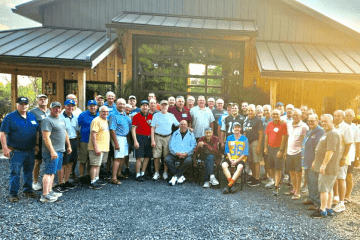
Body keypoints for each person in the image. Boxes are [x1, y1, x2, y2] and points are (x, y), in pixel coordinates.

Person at [0, 97, 39, 202]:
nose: (23, 106)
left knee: (28, 171)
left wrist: (36, 145)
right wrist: (5, 148)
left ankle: (28, 190)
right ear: (17, 105)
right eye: (21, 104)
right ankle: (13, 193)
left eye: (25, 104)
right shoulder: (10, 117)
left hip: (30, 150)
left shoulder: (32, 116)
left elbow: (37, 131)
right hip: (16, 151)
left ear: (28, 105)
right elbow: (2, 133)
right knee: (15, 172)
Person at [311, 114, 340, 218]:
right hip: (324, 166)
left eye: (325, 121)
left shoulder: (332, 134)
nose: (323, 123)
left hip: (328, 167)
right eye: (322, 121)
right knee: (328, 188)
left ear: (331, 121)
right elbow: (320, 149)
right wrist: (315, 161)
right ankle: (328, 208)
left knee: (324, 189)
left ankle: (322, 210)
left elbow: (330, 151)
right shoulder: (326, 133)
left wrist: (323, 165)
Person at [41, 102, 72, 202]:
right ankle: (45, 194)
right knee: (48, 172)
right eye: (55, 108)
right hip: (52, 152)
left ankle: (50, 191)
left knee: (53, 172)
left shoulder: (61, 119)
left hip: (60, 150)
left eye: (59, 108)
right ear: (50, 109)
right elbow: (46, 137)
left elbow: (65, 133)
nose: (57, 110)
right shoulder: (47, 120)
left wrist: (68, 145)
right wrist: (52, 151)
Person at [151, 100, 180, 180]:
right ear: (159, 106)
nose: (164, 106)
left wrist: (188, 128)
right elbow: (152, 128)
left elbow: (178, 125)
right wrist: (152, 140)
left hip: (168, 137)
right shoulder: (156, 115)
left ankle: (165, 172)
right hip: (158, 137)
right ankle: (156, 173)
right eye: (162, 105)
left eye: (165, 105)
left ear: (168, 106)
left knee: (166, 156)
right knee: (156, 156)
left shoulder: (171, 115)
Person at [283, 108, 309, 199]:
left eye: (297, 115)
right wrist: (286, 151)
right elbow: (288, 138)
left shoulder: (304, 126)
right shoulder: (289, 125)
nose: (295, 117)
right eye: (293, 115)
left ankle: (298, 192)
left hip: (299, 153)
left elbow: (307, 139)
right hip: (290, 152)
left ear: (301, 116)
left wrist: (304, 152)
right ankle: (294, 189)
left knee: (298, 173)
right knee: (291, 172)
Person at [302, 114, 324, 210]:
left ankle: (317, 203)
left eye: (312, 121)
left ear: (317, 121)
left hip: (313, 162)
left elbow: (319, 149)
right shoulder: (309, 130)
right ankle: (311, 198)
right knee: (309, 181)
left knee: (315, 182)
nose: (310, 123)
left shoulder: (319, 132)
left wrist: (316, 161)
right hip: (307, 160)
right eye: (309, 121)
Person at [332, 110, 353, 213]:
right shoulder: (334, 127)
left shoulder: (346, 127)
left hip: (341, 158)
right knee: (335, 178)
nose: (336, 118)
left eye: (339, 116)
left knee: (341, 178)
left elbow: (349, 144)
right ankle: (335, 196)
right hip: (333, 157)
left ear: (343, 117)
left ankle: (341, 202)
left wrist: (344, 157)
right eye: (335, 116)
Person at [165, 120, 196, 186]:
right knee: (167, 159)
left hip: (186, 154)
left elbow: (193, 145)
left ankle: (175, 176)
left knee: (188, 160)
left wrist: (187, 153)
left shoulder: (191, 134)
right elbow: (171, 145)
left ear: (187, 125)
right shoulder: (175, 133)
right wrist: (176, 153)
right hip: (176, 153)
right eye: (181, 124)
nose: (183, 126)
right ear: (179, 125)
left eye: (185, 124)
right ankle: (180, 176)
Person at [264, 109, 288, 196]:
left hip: (278, 149)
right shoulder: (270, 124)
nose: (275, 116)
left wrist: (281, 150)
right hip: (270, 148)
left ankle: (276, 186)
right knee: (270, 167)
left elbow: (284, 138)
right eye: (273, 114)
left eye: (277, 114)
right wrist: (265, 147)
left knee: (278, 167)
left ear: (280, 115)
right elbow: (266, 136)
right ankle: (275, 181)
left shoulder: (283, 124)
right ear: (271, 115)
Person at [222, 122, 249, 194]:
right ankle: (232, 184)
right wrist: (230, 159)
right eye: (235, 127)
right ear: (233, 129)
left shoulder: (244, 138)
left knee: (240, 167)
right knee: (224, 165)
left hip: (240, 158)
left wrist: (237, 160)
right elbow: (227, 150)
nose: (236, 129)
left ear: (240, 128)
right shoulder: (229, 138)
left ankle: (229, 186)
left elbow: (245, 152)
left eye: (238, 127)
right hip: (230, 157)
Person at [30, 94, 50, 191]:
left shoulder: (50, 111)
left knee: (49, 161)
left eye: (44, 99)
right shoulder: (33, 112)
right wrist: (35, 144)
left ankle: (48, 180)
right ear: (37, 101)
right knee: (37, 161)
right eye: (41, 99)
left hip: (49, 140)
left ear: (47, 101)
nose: (43, 101)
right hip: (38, 140)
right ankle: (35, 181)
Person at [109, 98, 131, 185]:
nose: (121, 105)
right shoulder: (113, 115)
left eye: (123, 104)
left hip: (124, 138)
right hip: (118, 138)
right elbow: (112, 130)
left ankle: (119, 173)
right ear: (116, 104)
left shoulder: (125, 115)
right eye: (120, 104)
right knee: (117, 158)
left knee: (123, 157)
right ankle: (113, 178)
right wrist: (116, 143)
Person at [58, 99, 79, 191]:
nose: (70, 107)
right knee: (63, 164)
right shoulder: (60, 117)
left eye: (72, 106)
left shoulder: (75, 118)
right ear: (64, 106)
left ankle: (66, 181)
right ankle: (60, 183)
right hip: (64, 142)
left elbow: (77, 130)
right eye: (68, 105)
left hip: (74, 141)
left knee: (70, 163)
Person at [88, 106, 110, 189]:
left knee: (98, 165)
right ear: (99, 112)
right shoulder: (96, 120)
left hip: (103, 147)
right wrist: (96, 147)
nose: (105, 113)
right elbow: (93, 135)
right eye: (103, 111)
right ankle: (92, 182)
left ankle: (96, 179)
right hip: (97, 147)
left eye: (107, 111)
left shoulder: (105, 120)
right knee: (94, 165)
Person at [77, 100, 99, 183]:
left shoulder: (99, 115)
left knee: (91, 160)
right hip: (85, 140)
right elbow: (77, 127)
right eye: (91, 106)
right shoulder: (83, 115)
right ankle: (81, 176)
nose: (93, 107)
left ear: (97, 107)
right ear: (87, 107)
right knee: (83, 159)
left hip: (96, 142)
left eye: (94, 106)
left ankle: (89, 175)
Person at [132, 100, 153, 182]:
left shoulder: (151, 116)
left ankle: (143, 173)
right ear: (140, 107)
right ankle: (137, 174)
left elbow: (152, 128)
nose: (145, 107)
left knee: (147, 157)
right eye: (143, 105)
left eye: (146, 105)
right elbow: (133, 129)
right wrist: (135, 141)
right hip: (139, 137)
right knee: (139, 157)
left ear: (148, 107)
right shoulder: (136, 116)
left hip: (148, 138)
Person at [243, 104, 263, 187]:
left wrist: (259, 146)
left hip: (255, 142)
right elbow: (245, 131)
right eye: (249, 110)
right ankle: (253, 176)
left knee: (256, 161)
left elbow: (261, 134)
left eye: (252, 110)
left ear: (255, 111)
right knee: (250, 161)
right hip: (248, 142)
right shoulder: (246, 119)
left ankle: (257, 179)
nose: (250, 112)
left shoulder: (258, 120)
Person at [344, 109, 360, 204]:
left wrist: (357, 157)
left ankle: (347, 195)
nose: (349, 117)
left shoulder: (356, 128)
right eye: (347, 115)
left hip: (351, 154)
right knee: (340, 176)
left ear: (353, 117)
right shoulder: (340, 126)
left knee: (349, 175)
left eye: (350, 115)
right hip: (341, 154)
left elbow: (358, 144)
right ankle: (339, 194)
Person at [261, 105, 273, 183]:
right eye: (264, 110)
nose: (266, 112)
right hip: (263, 142)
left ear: (270, 110)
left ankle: (271, 177)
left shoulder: (273, 119)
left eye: (267, 110)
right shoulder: (262, 119)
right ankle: (266, 175)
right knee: (265, 160)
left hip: (271, 143)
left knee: (270, 160)